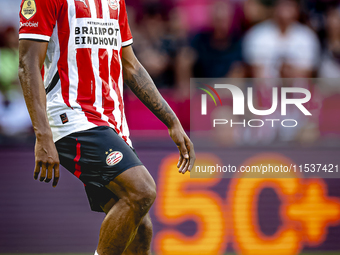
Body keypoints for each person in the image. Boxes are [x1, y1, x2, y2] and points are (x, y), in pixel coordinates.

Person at [18, 0, 196, 255]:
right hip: (72, 115)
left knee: (140, 225)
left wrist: (172, 121)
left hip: (112, 121)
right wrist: (42, 135)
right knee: (142, 191)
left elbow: (131, 65)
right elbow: (27, 64)